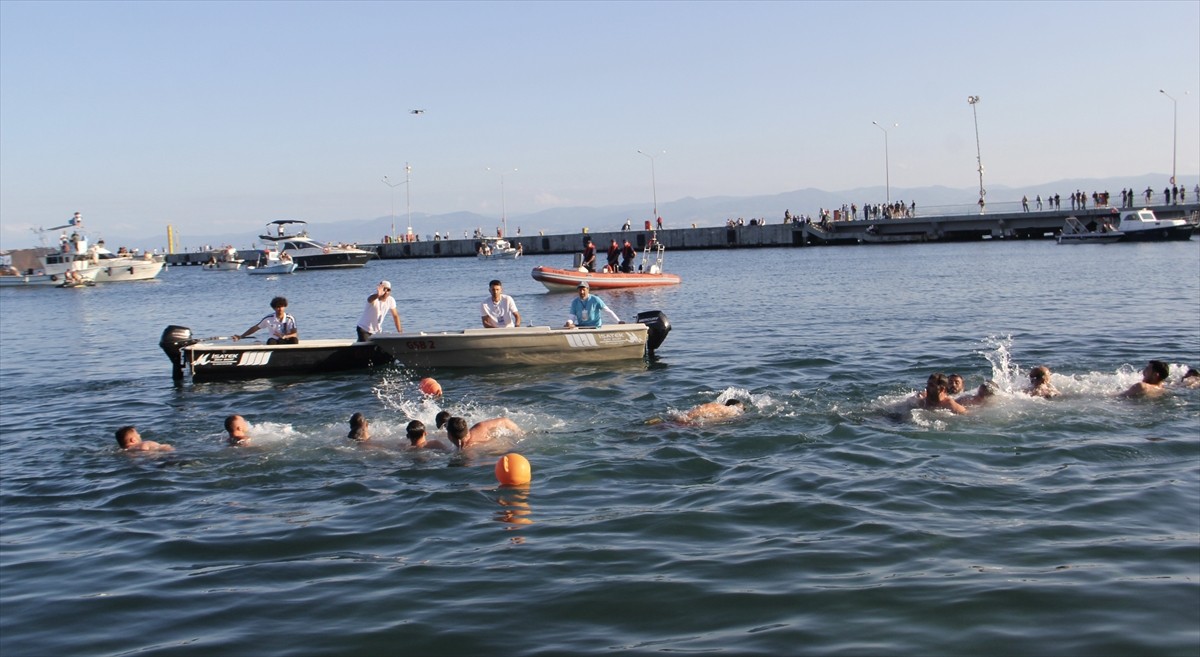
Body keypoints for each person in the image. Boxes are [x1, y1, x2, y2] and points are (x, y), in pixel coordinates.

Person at [233, 296, 298, 344]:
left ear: (285, 306)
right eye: (278, 307)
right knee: (271, 342)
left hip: (286, 339)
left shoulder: (290, 318)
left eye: (282, 307)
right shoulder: (268, 318)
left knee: (294, 340)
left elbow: (295, 334)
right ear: (274, 308)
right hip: (275, 339)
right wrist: (241, 336)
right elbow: (255, 328)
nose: (280, 309)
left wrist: (285, 336)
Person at [445, 415, 522, 450]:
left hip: (504, 449)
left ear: (450, 436)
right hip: (512, 444)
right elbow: (505, 421)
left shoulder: (467, 451)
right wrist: (519, 432)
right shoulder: (480, 426)